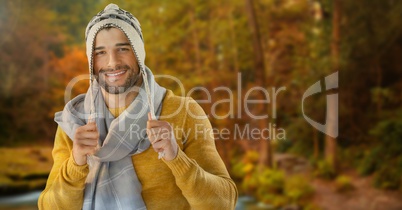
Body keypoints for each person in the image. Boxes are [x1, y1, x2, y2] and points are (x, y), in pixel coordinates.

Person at [38, 3, 238, 210]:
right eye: (100, 52)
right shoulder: (74, 122)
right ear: (91, 61)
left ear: (139, 53)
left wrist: (177, 159)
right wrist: (76, 162)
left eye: (123, 49)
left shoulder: (184, 112)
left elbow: (224, 203)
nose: (112, 62)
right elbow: (49, 207)